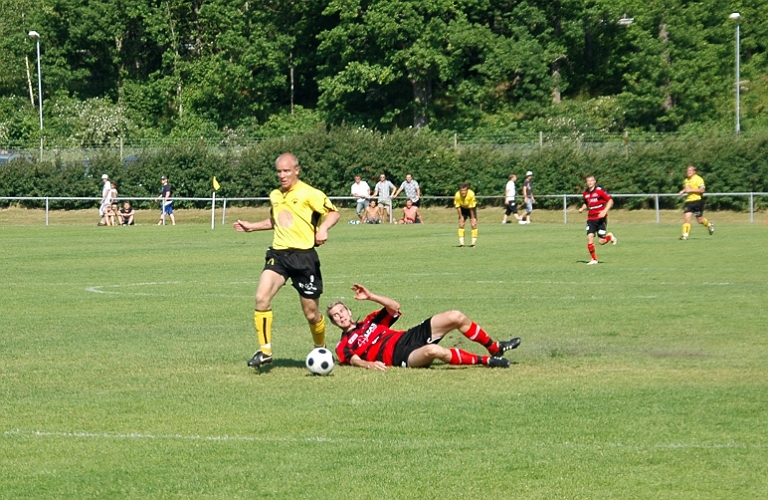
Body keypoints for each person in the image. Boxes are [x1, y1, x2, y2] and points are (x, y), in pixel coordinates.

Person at [233, 153, 340, 370]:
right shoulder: (275, 195)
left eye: (287, 171)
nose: (282, 175)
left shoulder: (310, 193)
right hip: (279, 255)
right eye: (279, 171)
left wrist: (323, 228)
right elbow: (278, 220)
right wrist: (252, 226)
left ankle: (321, 347)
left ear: (297, 170)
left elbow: (333, 213)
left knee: (311, 314)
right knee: (261, 297)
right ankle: (265, 352)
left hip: (304, 257)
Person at [329, 284, 521, 370]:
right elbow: (353, 360)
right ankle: (487, 361)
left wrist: (371, 297)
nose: (340, 316)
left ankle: (495, 348)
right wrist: (368, 364)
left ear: (349, 311)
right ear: (334, 322)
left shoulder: (371, 321)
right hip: (400, 356)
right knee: (434, 350)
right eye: (335, 316)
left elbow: (394, 307)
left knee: (455, 316)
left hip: (409, 336)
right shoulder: (344, 345)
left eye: (342, 311)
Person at [578, 175, 617, 265]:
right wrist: (582, 208)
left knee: (601, 241)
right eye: (588, 181)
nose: (590, 182)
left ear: (595, 181)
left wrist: (604, 211)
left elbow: (610, 201)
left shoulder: (600, 191)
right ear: (586, 183)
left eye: (592, 180)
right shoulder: (585, 193)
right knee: (589, 237)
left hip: (601, 219)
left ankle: (610, 236)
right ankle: (594, 259)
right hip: (591, 219)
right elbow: (586, 203)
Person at [678, 165, 714, 240]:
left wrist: (691, 190)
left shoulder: (699, 179)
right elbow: (687, 188)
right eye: (687, 170)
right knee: (687, 218)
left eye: (690, 170)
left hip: (697, 202)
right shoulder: (686, 180)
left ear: (694, 171)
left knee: (699, 220)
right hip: (689, 202)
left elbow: (702, 190)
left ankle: (709, 225)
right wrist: (683, 191)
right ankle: (685, 235)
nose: (689, 172)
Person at [454, 182, 478, 247]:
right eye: (462, 191)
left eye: (464, 190)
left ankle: (473, 243)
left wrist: (472, 218)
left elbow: (471, 207)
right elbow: (458, 206)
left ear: (467, 190)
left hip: (471, 209)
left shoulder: (471, 194)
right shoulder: (457, 195)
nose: (463, 192)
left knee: (473, 224)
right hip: (462, 208)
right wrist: (461, 217)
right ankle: (462, 244)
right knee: (461, 224)